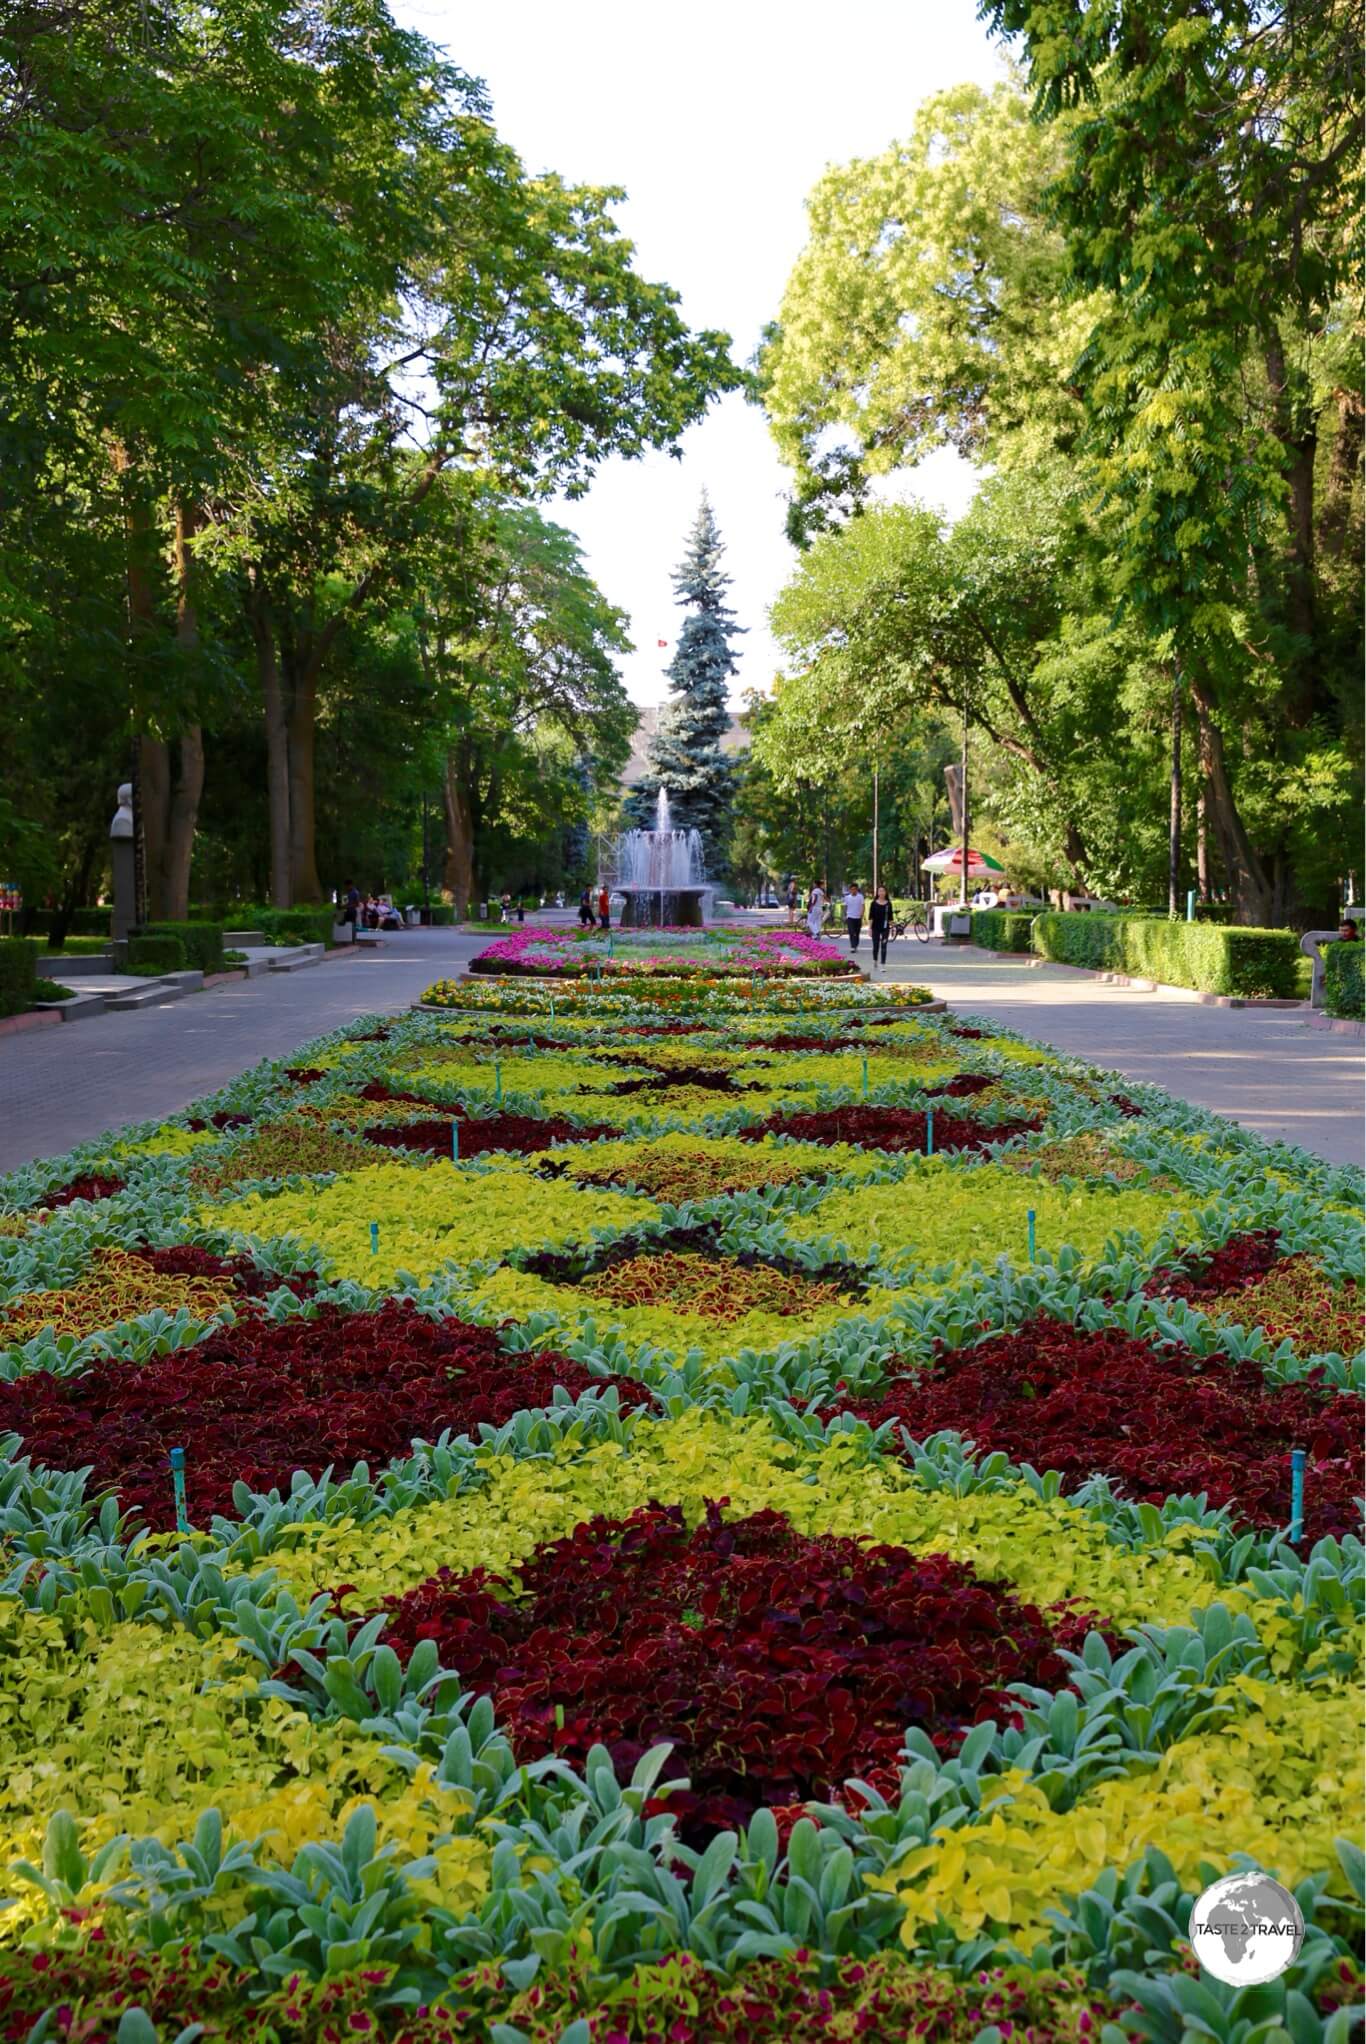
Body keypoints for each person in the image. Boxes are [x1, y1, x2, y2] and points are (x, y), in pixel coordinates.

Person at [869, 883, 893, 965]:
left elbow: (890, 917)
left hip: (885, 928)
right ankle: (875, 960)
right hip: (875, 927)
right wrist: (870, 929)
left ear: (886, 893)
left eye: (883, 891)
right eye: (880, 891)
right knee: (876, 946)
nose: (882, 892)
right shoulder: (873, 904)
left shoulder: (888, 904)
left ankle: (883, 963)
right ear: (877, 893)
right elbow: (871, 917)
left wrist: (893, 926)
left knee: (884, 946)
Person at [843, 880, 866, 952]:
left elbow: (863, 906)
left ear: (857, 889)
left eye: (855, 889)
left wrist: (861, 914)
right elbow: (845, 907)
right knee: (851, 932)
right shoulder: (847, 897)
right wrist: (844, 915)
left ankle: (855, 945)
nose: (853, 891)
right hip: (850, 917)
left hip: (858, 917)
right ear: (850, 890)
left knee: (857, 933)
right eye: (852, 889)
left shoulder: (860, 897)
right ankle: (853, 946)